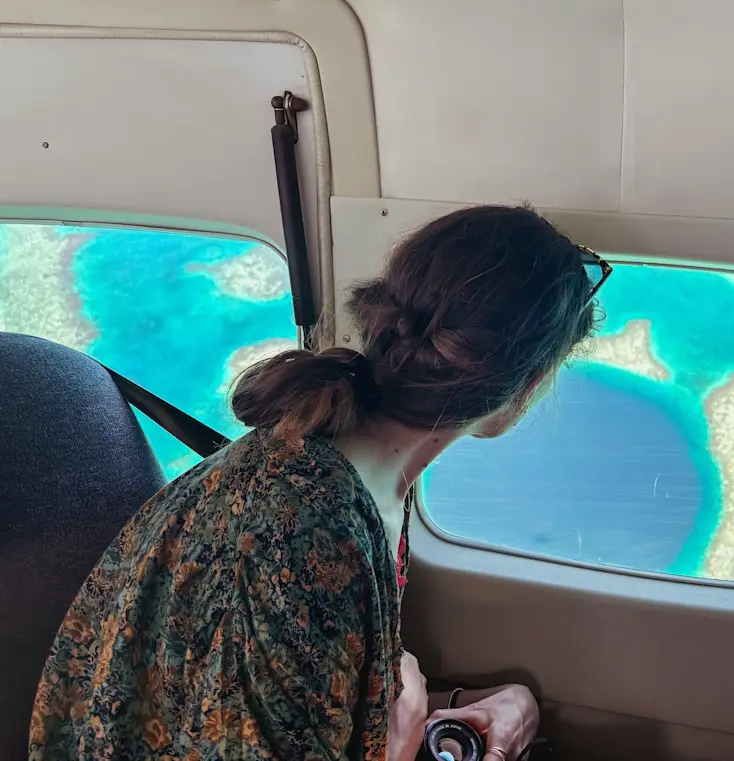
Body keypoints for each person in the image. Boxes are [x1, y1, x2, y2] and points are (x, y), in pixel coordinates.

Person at [29, 204, 608, 761]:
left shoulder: (351, 475)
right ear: (527, 385)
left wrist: (499, 705)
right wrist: (400, 747)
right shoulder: (307, 537)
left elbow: (309, 708)